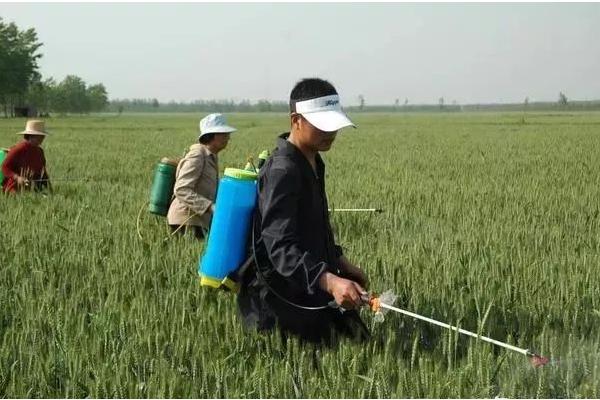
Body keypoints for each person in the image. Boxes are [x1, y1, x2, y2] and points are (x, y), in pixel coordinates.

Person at [238, 78, 370, 345]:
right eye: (322, 124)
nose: (331, 132)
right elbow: (280, 247)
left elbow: (314, 226)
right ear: (296, 120)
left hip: (308, 282)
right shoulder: (283, 170)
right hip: (280, 299)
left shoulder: (312, 159)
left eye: (334, 125)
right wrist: (330, 281)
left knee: (361, 342)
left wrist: (340, 263)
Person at [167, 113, 236, 239]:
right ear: (213, 136)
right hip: (185, 222)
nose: (228, 138)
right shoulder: (197, 155)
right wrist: (210, 206)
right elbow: (182, 189)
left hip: (198, 222)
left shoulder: (210, 156)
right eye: (225, 134)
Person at [2, 120, 51, 194]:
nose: (43, 138)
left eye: (43, 136)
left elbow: (43, 173)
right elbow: (5, 167)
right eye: (40, 136)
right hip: (15, 187)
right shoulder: (18, 149)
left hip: (34, 188)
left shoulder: (40, 151)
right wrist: (17, 178)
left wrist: (49, 189)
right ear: (31, 136)